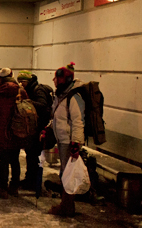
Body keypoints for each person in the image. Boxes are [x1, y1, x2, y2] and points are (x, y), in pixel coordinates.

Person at [47, 62, 85, 216]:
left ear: (63, 80)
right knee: (64, 172)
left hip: (68, 142)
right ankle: (66, 204)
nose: (53, 81)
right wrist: (48, 128)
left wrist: (76, 143)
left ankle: (67, 206)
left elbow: (78, 121)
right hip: (62, 139)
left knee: (68, 174)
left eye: (56, 78)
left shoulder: (74, 97)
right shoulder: (61, 95)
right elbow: (58, 116)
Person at [0, 68, 29, 198]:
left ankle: (2, 188)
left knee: (4, 160)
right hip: (17, 130)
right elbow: (27, 107)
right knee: (15, 159)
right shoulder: (21, 91)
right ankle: (14, 187)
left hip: (3, 130)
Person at [16, 70, 53, 193]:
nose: (20, 84)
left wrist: (28, 102)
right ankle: (30, 179)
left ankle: (32, 181)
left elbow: (43, 106)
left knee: (33, 154)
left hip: (39, 127)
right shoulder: (31, 90)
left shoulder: (38, 90)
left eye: (22, 81)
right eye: (19, 81)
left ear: (28, 81)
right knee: (30, 154)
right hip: (34, 126)